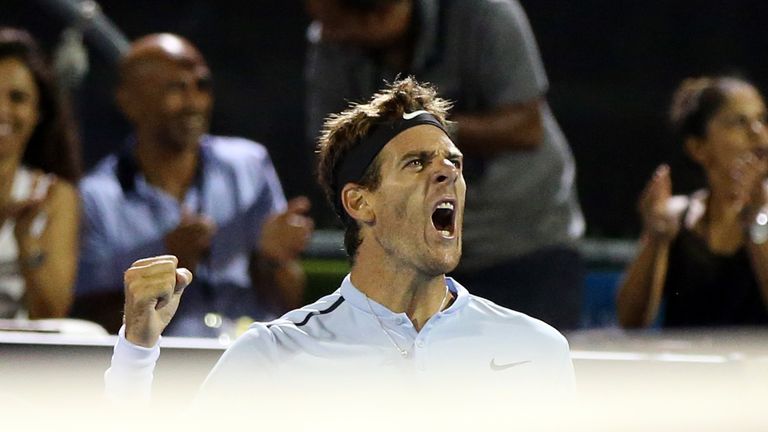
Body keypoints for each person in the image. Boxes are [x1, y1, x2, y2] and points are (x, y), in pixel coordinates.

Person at [105, 78, 574, 406]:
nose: (447, 171)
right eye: (416, 163)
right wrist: (136, 351)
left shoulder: (536, 350)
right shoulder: (274, 356)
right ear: (360, 202)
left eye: (453, 162)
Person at [304, 0, 585, 330]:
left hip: (522, 243)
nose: (332, 33)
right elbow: (332, 153)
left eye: (344, 21)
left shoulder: (484, 12)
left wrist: (413, 134)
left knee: (525, 373)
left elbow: (526, 127)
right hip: (409, 254)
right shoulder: (334, 38)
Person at [72, 33, 313, 336]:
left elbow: (289, 302)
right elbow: (92, 325)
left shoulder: (249, 164)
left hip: (252, 359)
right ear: (129, 101)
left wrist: (272, 261)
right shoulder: (97, 197)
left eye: (201, 86)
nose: (193, 103)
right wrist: (163, 271)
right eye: (176, 88)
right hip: (163, 366)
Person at [617, 76, 768, 328]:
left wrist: (757, 223)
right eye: (739, 122)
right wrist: (656, 238)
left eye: (762, 119)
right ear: (698, 147)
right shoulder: (677, 216)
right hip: (689, 367)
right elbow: (631, 322)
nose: (757, 132)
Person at [0, 27, 81, 319]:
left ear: (38, 113)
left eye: (18, 98)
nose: (2, 110)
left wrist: (26, 242)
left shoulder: (55, 196)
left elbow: (51, 313)